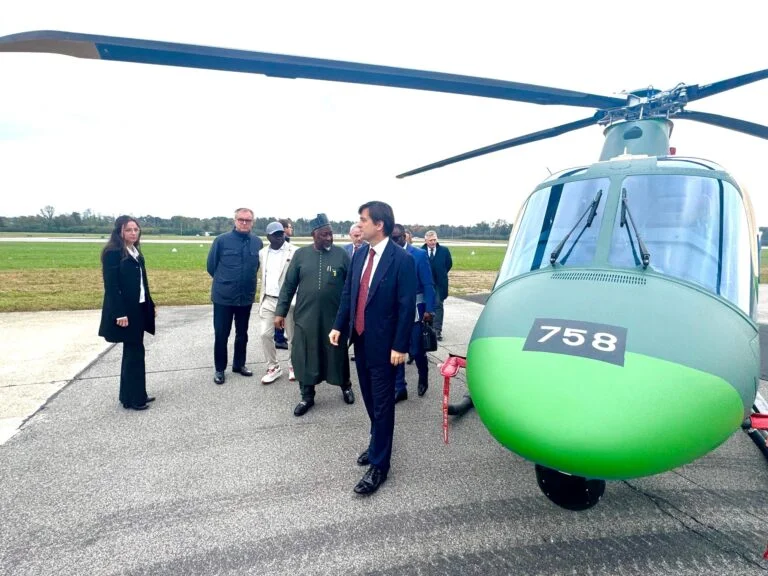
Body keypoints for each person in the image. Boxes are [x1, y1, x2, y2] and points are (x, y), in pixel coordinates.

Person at [330, 201, 416, 495]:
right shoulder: (359, 256)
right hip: (361, 340)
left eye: (363, 220)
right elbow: (349, 294)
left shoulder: (402, 260)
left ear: (379, 224)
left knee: (382, 404)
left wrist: (400, 345)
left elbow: (407, 307)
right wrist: (339, 325)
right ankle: (376, 440)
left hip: (386, 347)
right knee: (369, 398)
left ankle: (380, 464)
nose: (359, 224)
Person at [275, 213, 355, 416]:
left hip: (334, 318)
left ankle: (345, 385)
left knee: (337, 354)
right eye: (324, 235)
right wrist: (280, 312)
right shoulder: (301, 255)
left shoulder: (341, 255)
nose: (329, 238)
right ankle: (307, 396)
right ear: (314, 235)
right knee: (306, 355)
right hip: (306, 318)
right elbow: (288, 286)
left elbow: (353, 287)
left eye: (331, 234)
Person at [98, 216, 157, 411]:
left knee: (136, 351)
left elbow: (142, 283)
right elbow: (112, 287)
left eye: (136, 229)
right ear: (119, 232)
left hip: (140, 308)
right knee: (133, 353)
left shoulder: (135, 252)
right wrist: (119, 313)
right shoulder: (112, 253)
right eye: (128, 230)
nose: (133, 233)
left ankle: (135, 393)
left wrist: (151, 304)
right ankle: (133, 399)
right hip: (126, 311)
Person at [206, 208, 263, 385]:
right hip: (224, 297)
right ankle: (220, 369)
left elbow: (256, 267)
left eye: (248, 220)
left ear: (253, 222)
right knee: (222, 334)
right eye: (241, 220)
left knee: (242, 333)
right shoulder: (222, 241)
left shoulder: (257, 242)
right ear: (235, 221)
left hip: (245, 297)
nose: (244, 223)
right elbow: (211, 266)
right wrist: (226, 282)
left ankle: (239, 364)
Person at [391, 224, 435, 402]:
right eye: (391, 239)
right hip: (394, 310)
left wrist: (430, 309)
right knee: (396, 349)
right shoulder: (388, 255)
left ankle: (423, 375)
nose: (394, 242)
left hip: (416, 310)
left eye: (397, 238)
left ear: (405, 237)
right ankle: (400, 387)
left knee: (416, 350)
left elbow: (428, 285)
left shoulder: (419, 255)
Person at [258, 221, 298, 384]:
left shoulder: (295, 251)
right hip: (268, 299)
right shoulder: (262, 253)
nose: (280, 236)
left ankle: (293, 365)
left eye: (281, 233)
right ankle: (273, 367)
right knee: (265, 334)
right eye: (275, 234)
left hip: (288, 300)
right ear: (268, 237)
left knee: (292, 337)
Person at [423, 230, 453, 341]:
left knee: (438, 305)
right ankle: (427, 328)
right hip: (425, 284)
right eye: (430, 240)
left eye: (435, 240)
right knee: (426, 306)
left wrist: (441, 273)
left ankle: (437, 330)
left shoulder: (444, 251)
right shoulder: (421, 251)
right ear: (426, 240)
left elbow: (448, 264)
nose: (433, 242)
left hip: (439, 284)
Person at [274, 218, 294, 350]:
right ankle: (279, 338)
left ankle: (280, 336)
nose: (291, 229)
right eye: (290, 227)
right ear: (284, 229)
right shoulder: (283, 242)